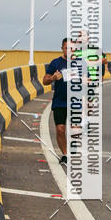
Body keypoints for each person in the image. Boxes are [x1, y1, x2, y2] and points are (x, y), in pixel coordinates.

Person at [43, 37, 71, 166]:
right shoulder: (55, 63)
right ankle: (65, 155)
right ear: (62, 49)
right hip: (60, 102)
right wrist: (53, 78)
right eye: (66, 48)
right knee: (60, 129)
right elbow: (45, 81)